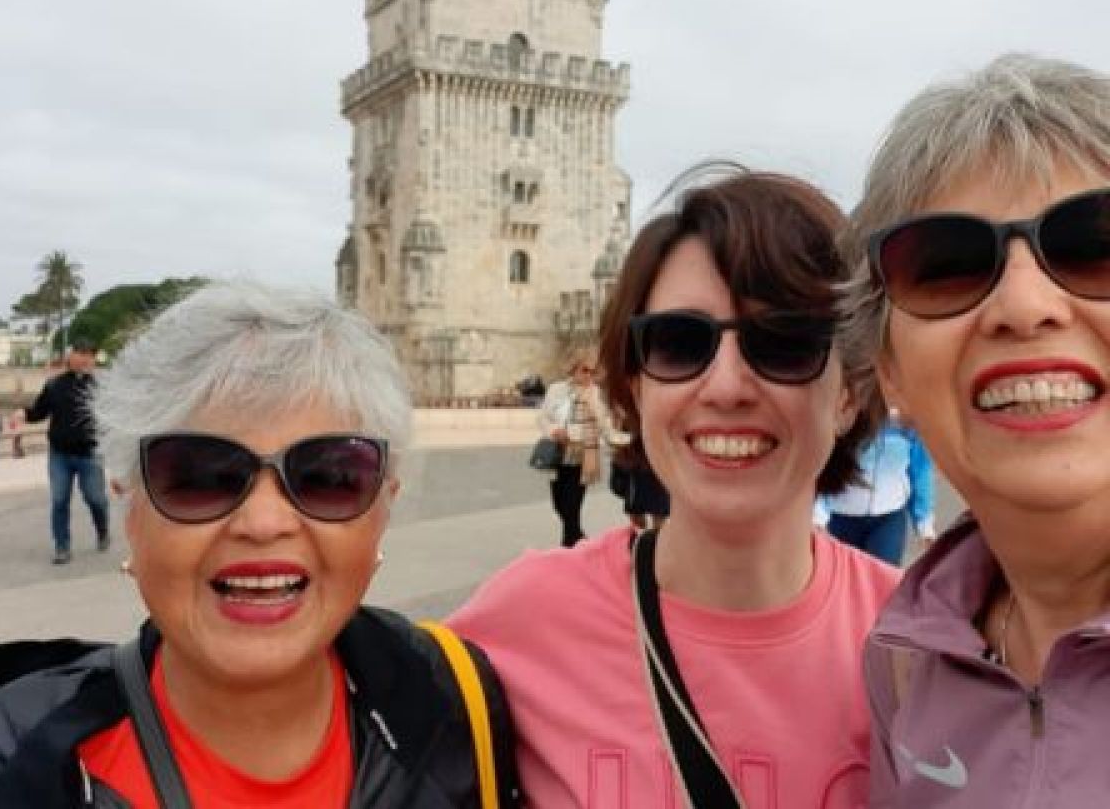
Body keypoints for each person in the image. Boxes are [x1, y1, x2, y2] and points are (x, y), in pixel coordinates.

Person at [0, 281, 521, 808]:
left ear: (385, 503)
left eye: (329, 476)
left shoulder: (457, 703)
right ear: (129, 504)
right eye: (199, 475)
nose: (263, 522)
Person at [452, 165, 901, 806]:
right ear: (636, 386)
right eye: (676, 343)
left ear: (850, 392)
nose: (724, 386)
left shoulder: (923, 651)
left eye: (782, 343)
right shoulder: (520, 623)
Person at [842, 53, 1110, 806]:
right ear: (889, 369)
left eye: (1095, 247)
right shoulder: (903, 665)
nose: (1026, 305)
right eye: (946, 265)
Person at [25, 339, 111, 564]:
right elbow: (38, 413)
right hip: (59, 454)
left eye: (89, 355)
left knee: (96, 499)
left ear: (94, 360)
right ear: (70, 356)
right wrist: (22, 414)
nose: (84, 359)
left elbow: (111, 421)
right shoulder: (54, 385)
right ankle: (62, 546)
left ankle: (103, 529)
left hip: (89, 454)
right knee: (59, 500)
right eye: (80, 353)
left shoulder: (100, 388)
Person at [813, 411, 935, 565]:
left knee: (883, 581)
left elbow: (920, 470)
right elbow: (822, 466)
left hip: (889, 518)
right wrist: (818, 516)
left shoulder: (907, 421)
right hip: (840, 517)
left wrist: (925, 524)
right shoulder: (845, 416)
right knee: (846, 581)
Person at [536, 348, 626, 547]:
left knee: (572, 509)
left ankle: (569, 551)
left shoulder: (596, 395)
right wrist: (554, 431)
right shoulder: (557, 390)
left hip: (583, 458)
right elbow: (543, 418)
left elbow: (606, 427)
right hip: (558, 457)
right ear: (574, 369)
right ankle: (581, 543)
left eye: (593, 371)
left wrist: (627, 440)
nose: (589, 375)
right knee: (559, 505)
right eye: (585, 370)